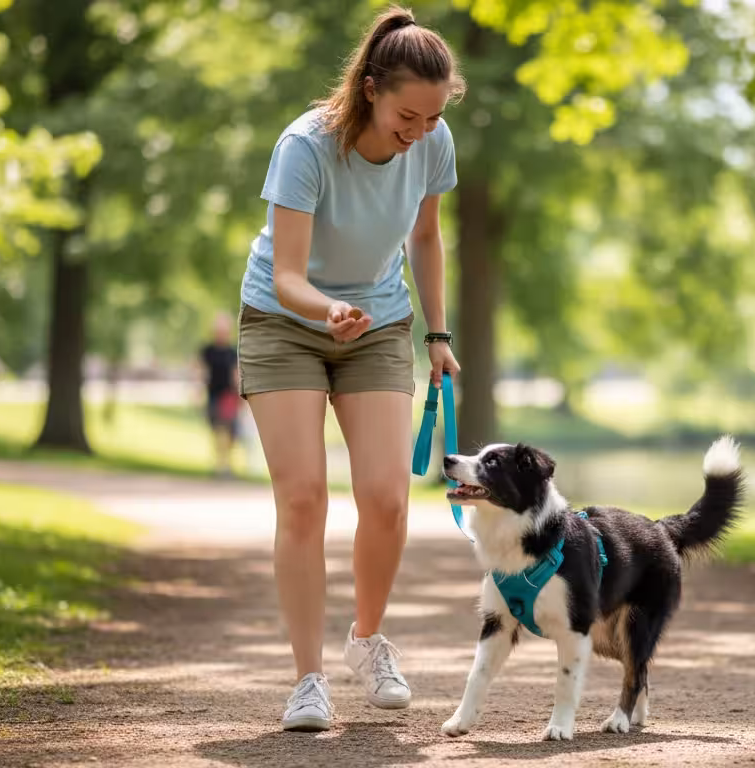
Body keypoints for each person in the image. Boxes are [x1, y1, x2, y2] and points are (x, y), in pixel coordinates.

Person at [234, 5, 464, 732]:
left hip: (380, 324)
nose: (419, 134)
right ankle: (308, 680)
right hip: (285, 323)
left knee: (388, 499)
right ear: (370, 88)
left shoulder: (431, 141)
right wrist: (326, 309)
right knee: (303, 498)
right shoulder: (305, 147)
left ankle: (366, 640)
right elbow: (289, 275)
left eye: (432, 119)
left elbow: (425, 238)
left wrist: (436, 333)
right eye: (408, 116)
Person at [200, 312, 243, 477]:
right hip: (212, 395)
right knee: (217, 431)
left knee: (228, 431)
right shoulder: (207, 350)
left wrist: (240, 396)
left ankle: (226, 465)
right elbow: (200, 369)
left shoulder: (232, 352)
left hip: (228, 397)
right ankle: (221, 465)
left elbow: (236, 374)